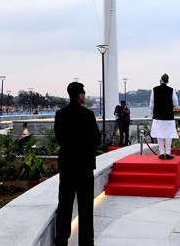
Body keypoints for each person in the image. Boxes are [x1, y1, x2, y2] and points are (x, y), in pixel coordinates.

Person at [54, 81, 101, 246]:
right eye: (83, 92)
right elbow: (96, 139)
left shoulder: (60, 114)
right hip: (85, 167)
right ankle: (86, 242)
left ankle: (61, 241)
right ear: (79, 95)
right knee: (86, 207)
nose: (84, 95)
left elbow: (59, 138)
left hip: (67, 166)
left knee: (65, 205)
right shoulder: (88, 115)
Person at [149, 73, 179, 159]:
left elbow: (151, 104)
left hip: (158, 115)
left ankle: (162, 152)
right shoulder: (171, 90)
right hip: (168, 115)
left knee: (159, 134)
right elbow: (176, 103)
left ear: (160, 80)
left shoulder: (154, 90)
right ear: (167, 81)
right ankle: (168, 152)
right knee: (168, 134)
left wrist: (152, 113)